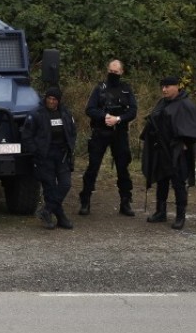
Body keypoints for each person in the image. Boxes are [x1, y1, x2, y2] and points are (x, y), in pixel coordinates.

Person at [78, 59, 138, 216]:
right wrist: (104, 116)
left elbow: (133, 111)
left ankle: (125, 202)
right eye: (111, 71)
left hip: (120, 133)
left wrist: (118, 119)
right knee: (93, 167)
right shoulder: (99, 88)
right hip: (100, 132)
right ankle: (85, 201)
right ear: (107, 70)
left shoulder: (126, 89)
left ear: (122, 72)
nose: (113, 74)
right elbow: (89, 109)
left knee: (123, 168)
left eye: (116, 72)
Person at [140, 76, 196, 230]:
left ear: (177, 87)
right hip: (161, 148)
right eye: (162, 87)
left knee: (178, 183)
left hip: (177, 151)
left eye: (167, 86)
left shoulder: (185, 104)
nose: (164, 89)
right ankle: (160, 211)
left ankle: (180, 216)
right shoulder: (162, 103)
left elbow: (191, 128)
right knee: (161, 179)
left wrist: (185, 144)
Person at [22, 87, 78, 230]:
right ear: (45, 98)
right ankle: (60, 218)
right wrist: (36, 151)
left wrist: (70, 146)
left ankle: (46, 210)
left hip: (62, 154)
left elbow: (72, 131)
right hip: (45, 156)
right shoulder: (36, 114)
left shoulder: (65, 113)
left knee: (65, 184)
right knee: (50, 188)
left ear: (59, 101)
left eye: (54, 99)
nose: (51, 101)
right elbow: (27, 136)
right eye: (49, 98)